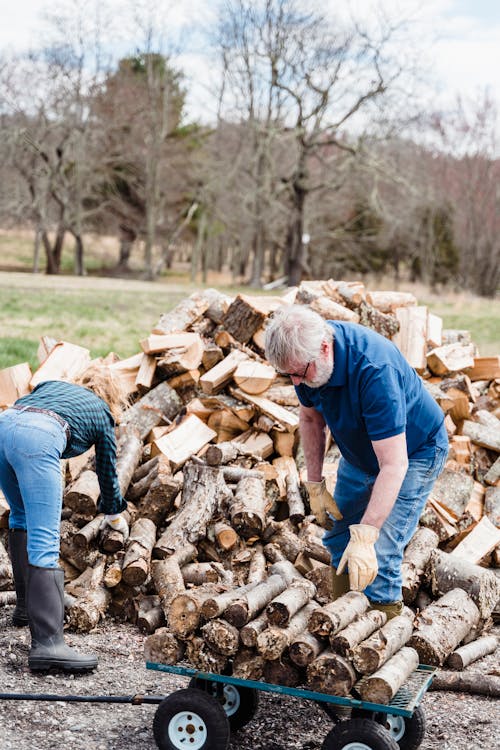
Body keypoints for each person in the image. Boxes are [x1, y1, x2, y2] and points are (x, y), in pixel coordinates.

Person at [265, 305, 448, 619]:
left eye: (300, 373)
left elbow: (394, 465)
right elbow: (310, 420)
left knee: (379, 550)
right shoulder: (308, 361)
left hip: (414, 453)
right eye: (289, 375)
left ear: (325, 347)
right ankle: (341, 622)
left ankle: (382, 642)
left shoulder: (375, 371)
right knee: (338, 536)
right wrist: (315, 483)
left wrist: (367, 534)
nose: (296, 382)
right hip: (360, 453)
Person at [0, 365, 130, 672]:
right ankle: (48, 645)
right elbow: (107, 474)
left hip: (4, 425)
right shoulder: (102, 414)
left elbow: (24, 407)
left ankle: (24, 608)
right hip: (39, 438)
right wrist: (114, 517)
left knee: (20, 516)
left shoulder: (51, 385)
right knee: (45, 541)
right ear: (112, 397)